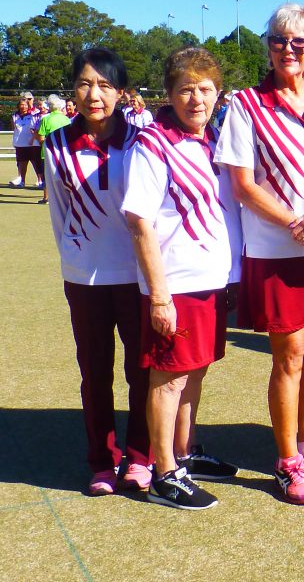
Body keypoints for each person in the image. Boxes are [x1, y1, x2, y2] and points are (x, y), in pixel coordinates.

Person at [215, 3, 304, 505]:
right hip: (277, 252)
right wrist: (303, 229)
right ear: (269, 46)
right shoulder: (246, 105)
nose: (288, 50)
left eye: (299, 42)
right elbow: (243, 185)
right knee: (290, 356)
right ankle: (286, 462)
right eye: (279, 40)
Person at [122, 47, 242, 511]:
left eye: (206, 89)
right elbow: (139, 220)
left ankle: (185, 453)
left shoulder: (212, 142)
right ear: (169, 94)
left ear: (218, 94)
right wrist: (159, 296)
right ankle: (164, 473)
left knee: (196, 369)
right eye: (186, 89)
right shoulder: (153, 143)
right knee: (169, 377)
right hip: (175, 283)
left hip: (209, 280)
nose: (197, 99)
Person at [44, 48, 152, 496]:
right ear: (73, 90)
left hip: (136, 276)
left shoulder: (143, 140)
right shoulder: (56, 143)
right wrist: (75, 257)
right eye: (85, 84)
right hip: (85, 277)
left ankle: (141, 457)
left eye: (105, 85)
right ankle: (102, 462)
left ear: (121, 92)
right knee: (94, 373)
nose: (94, 94)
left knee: (142, 371)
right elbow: (59, 213)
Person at [35, 94, 73, 205]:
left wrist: (45, 144)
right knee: (64, 174)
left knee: (47, 175)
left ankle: (46, 197)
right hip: (64, 151)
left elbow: (41, 137)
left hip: (48, 152)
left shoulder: (46, 119)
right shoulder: (67, 119)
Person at [11, 97, 41, 189]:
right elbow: (13, 128)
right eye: (21, 104)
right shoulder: (14, 116)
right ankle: (22, 181)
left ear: (28, 106)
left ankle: (40, 181)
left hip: (31, 144)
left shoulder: (33, 115)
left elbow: (35, 128)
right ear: (18, 106)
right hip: (20, 144)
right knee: (22, 163)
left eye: (25, 105)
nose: (23, 106)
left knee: (36, 163)